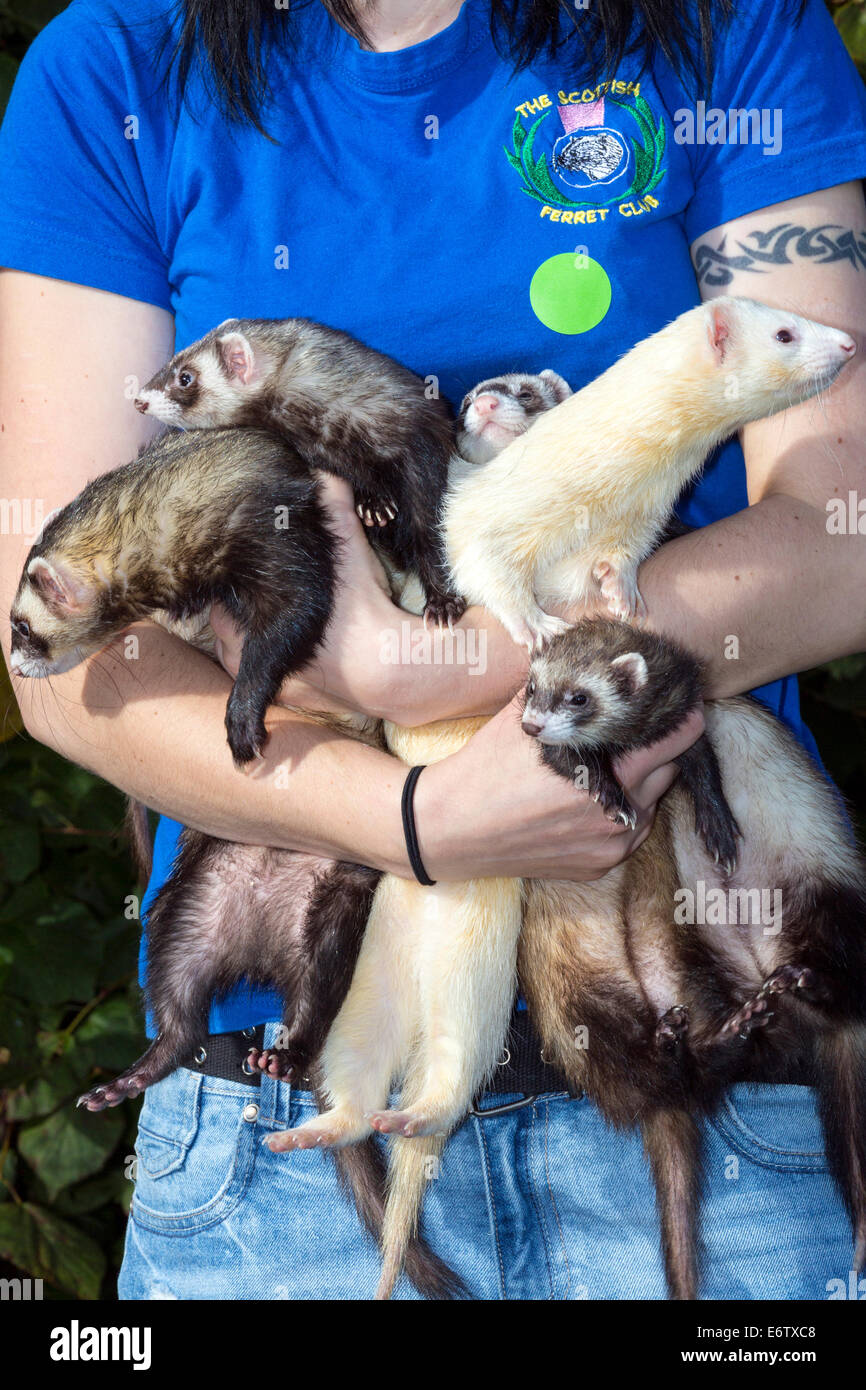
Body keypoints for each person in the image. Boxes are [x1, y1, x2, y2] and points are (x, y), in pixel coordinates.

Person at [1, 0, 865, 1300]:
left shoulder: (727, 29)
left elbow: (844, 531)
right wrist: (413, 813)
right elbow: (60, 646)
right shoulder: (118, 66)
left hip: (711, 1068)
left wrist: (450, 667)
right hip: (284, 1126)